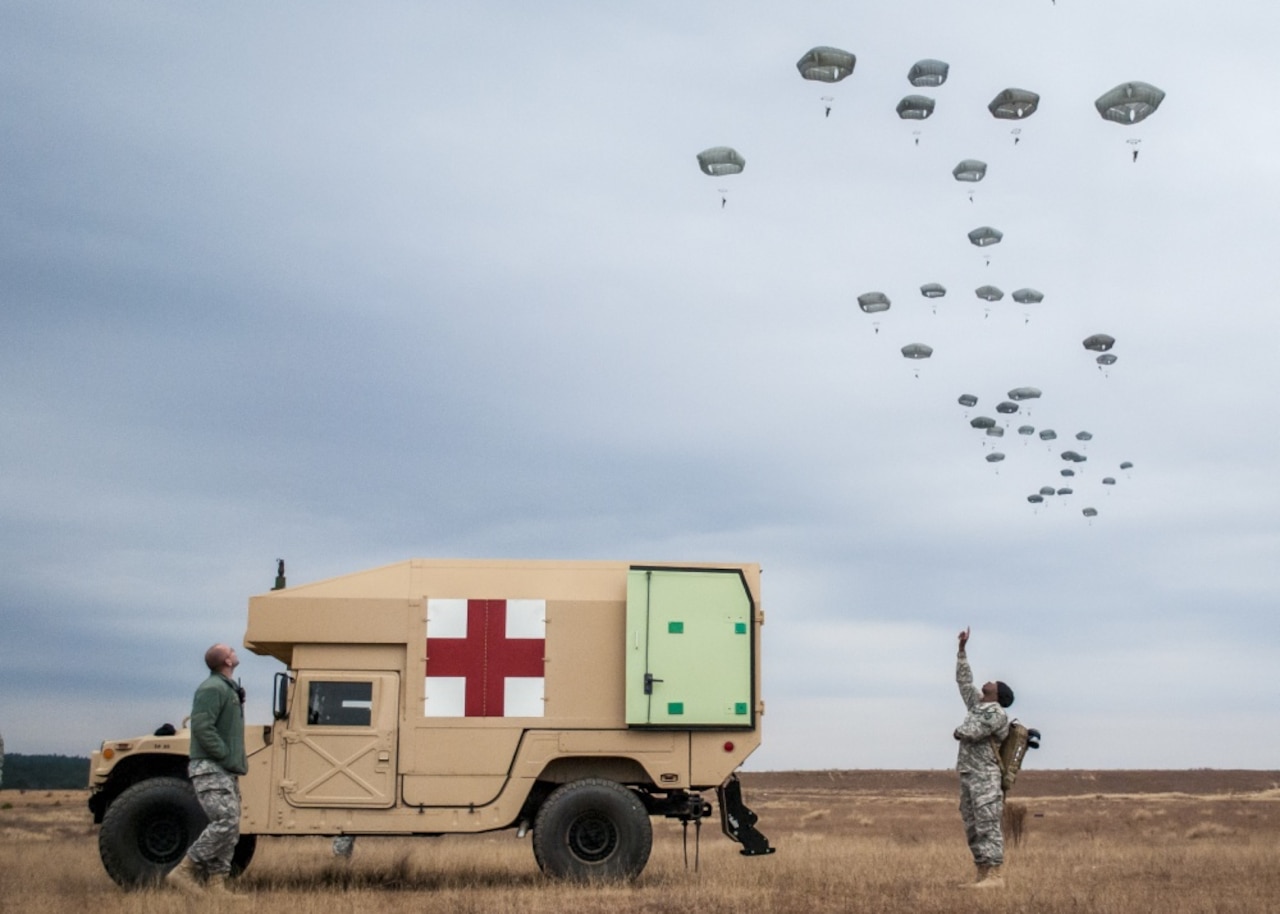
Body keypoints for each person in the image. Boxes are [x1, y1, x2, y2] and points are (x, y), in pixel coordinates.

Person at [167, 643, 248, 898]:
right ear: (226, 660)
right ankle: (184, 870)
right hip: (211, 767)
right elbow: (202, 727)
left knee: (231, 825)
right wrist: (224, 755)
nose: (235, 653)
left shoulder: (227, 689)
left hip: (224, 768)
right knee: (225, 821)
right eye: (231, 651)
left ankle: (216, 884)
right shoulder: (211, 688)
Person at [953, 627, 1013, 889]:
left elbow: (974, 732)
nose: (988, 682)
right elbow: (964, 683)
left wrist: (960, 731)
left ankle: (996, 876)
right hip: (969, 773)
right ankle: (982, 872)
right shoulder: (978, 704)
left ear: (997, 694)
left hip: (986, 777)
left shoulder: (997, 713)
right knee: (972, 825)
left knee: (988, 823)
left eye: (993, 683)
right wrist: (962, 652)